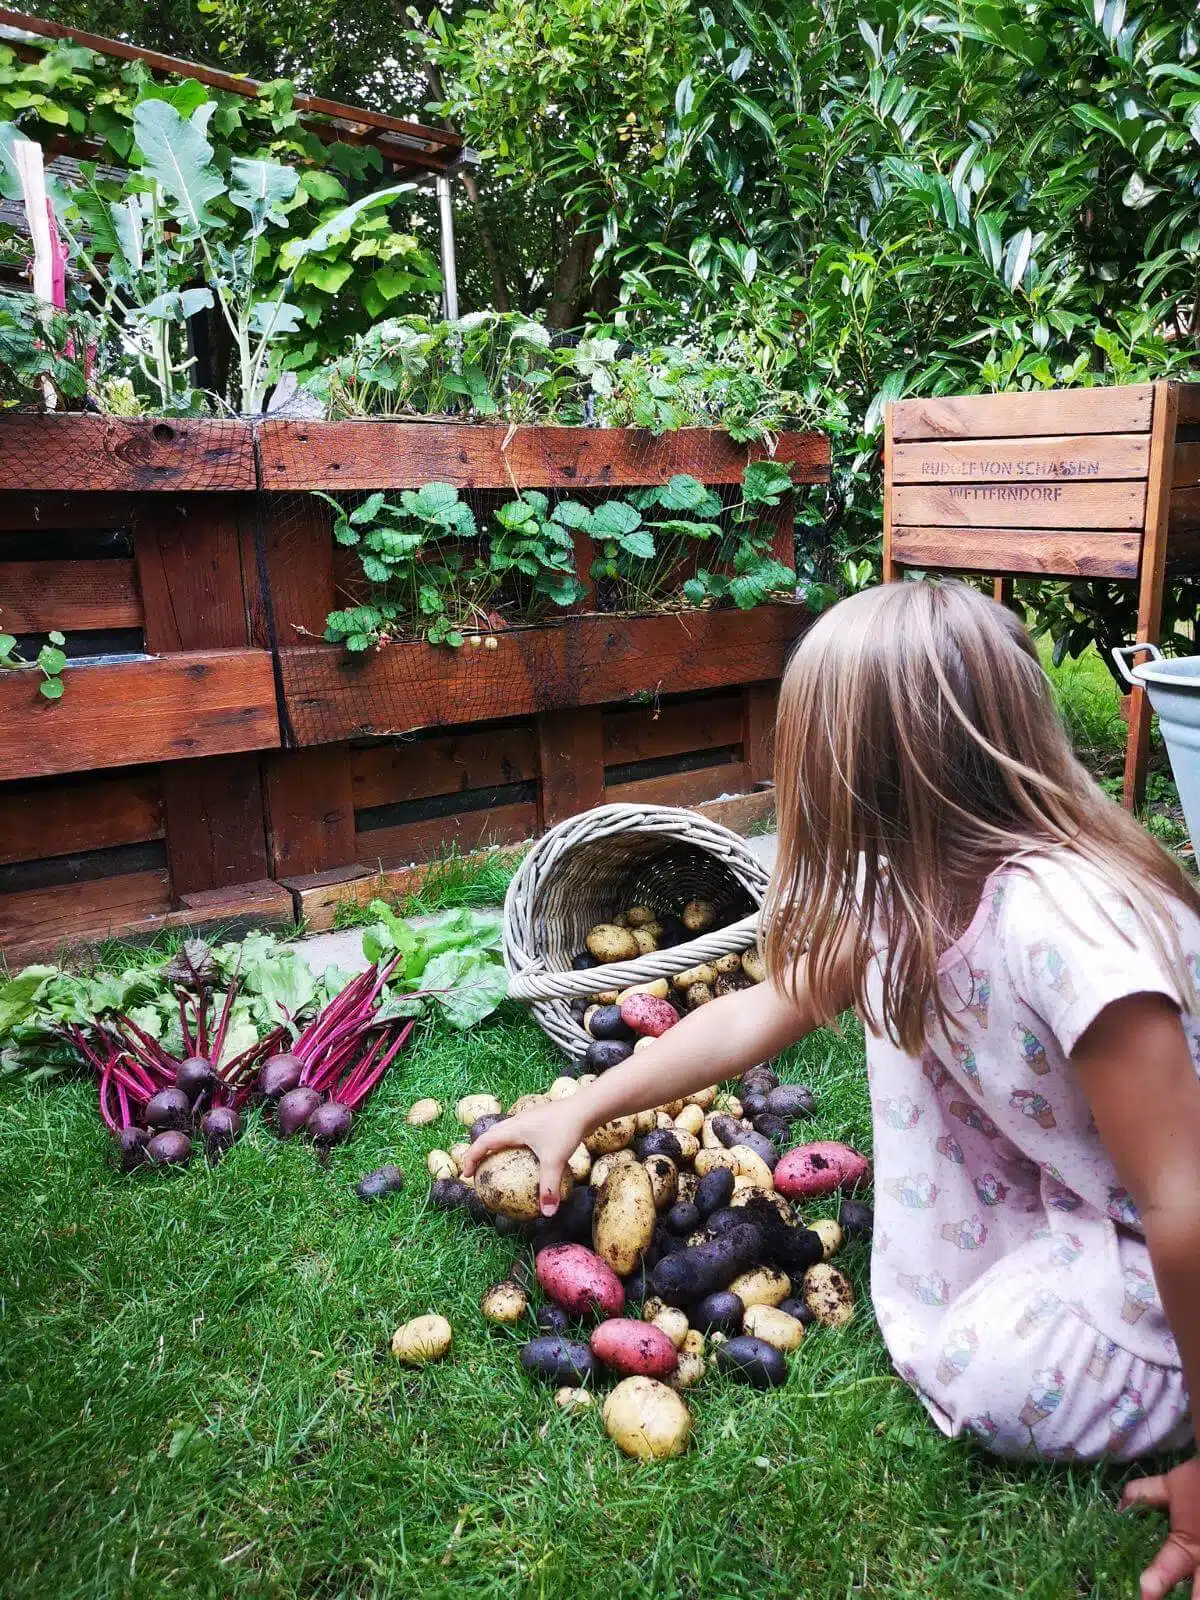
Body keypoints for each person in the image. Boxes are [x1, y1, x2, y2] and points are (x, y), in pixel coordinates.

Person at [463, 579, 1200, 1599]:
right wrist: (577, 1107)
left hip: (1171, 1237)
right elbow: (754, 1013)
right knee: (890, 988)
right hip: (1076, 1194)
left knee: (997, 1381)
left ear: (872, 772)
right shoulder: (907, 889)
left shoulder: (1065, 925)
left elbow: (1184, 1204)